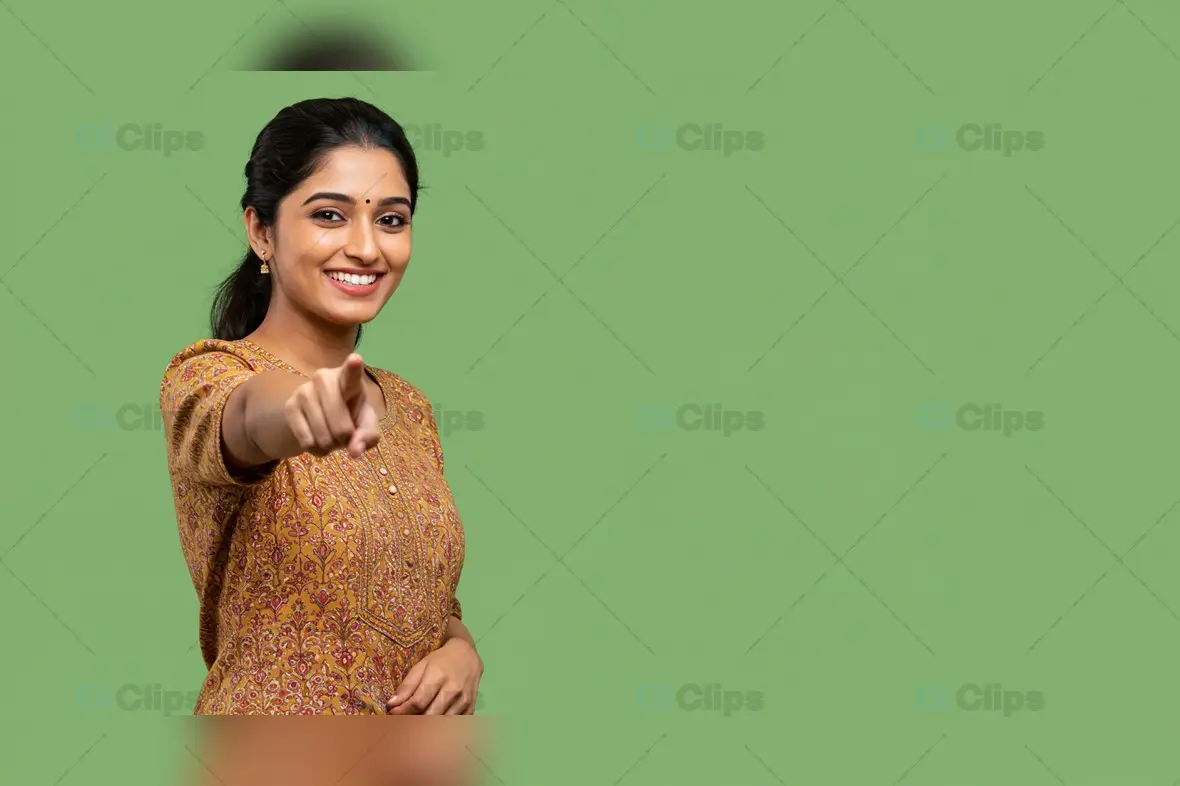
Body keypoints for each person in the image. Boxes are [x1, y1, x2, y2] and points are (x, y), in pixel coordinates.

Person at [159, 97, 480, 715]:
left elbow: (426, 597)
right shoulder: (207, 375)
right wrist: (301, 408)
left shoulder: (409, 407)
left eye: (391, 220)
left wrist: (462, 650)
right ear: (261, 231)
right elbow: (249, 418)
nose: (366, 248)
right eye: (330, 215)